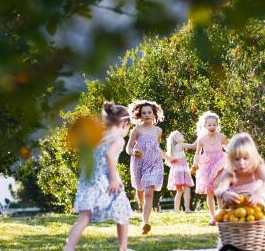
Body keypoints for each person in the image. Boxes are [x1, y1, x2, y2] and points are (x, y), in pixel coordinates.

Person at [64, 102, 133, 251]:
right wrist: (114, 179)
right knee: (123, 211)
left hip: (88, 179)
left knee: (84, 218)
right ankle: (123, 247)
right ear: (125, 123)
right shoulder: (118, 139)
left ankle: (68, 248)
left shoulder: (99, 137)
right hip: (106, 180)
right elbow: (109, 156)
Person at [125, 99, 177, 235]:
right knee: (140, 192)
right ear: (140, 115)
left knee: (149, 192)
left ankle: (145, 222)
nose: (147, 115)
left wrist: (169, 159)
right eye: (144, 113)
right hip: (139, 163)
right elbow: (128, 147)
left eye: (149, 112)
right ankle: (144, 209)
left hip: (154, 164)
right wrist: (133, 152)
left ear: (154, 114)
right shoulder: (137, 130)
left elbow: (156, 148)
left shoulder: (158, 130)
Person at [192, 111, 228, 225]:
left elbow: (228, 149)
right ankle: (213, 217)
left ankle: (221, 211)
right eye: (209, 125)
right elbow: (197, 153)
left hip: (221, 162)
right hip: (207, 165)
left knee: (217, 185)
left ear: (217, 125)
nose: (212, 127)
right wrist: (195, 164)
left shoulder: (221, 137)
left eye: (214, 124)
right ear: (205, 125)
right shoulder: (201, 139)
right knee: (209, 191)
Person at [166, 130, 196, 213]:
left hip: (176, 171)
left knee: (179, 191)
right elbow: (193, 146)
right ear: (176, 139)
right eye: (180, 135)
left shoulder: (174, 148)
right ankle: (187, 209)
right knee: (187, 189)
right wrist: (200, 136)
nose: (182, 135)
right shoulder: (180, 145)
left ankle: (176, 210)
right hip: (182, 171)